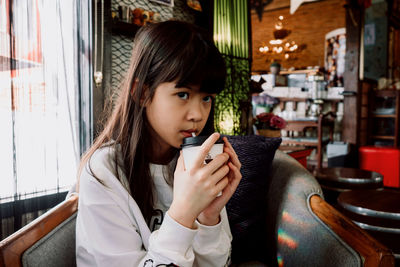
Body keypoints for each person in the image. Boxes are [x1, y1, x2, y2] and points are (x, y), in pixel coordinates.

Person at [76, 20, 242, 267]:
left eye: (206, 98)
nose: (197, 114)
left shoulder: (194, 162)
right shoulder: (103, 172)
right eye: (182, 94)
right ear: (142, 93)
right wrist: (184, 213)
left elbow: (216, 264)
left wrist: (209, 216)